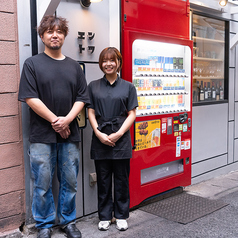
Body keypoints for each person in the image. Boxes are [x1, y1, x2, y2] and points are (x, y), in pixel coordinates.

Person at [18, 15, 90, 238]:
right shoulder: (32, 64)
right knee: (42, 183)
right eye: (50, 31)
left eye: (59, 31)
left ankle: (68, 222)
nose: (55, 35)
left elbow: (82, 97)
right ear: (42, 36)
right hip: (41, 136)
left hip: (70, 134)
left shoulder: (74, 67)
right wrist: (56, 122)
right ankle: (44, 225)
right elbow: (30, 98)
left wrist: (67, 120)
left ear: (65, 35)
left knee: (69, 182)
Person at [88, 47, 138, 231]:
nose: (108, 64)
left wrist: (119, 133)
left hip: (121, 138)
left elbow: (132, 113)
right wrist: (99, 133)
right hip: (100, 136)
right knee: (103, 179)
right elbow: (90, 112)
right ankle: (104, 216)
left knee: (121, 179)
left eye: (112, 60)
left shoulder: (128, 86)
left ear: (118, 63)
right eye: (104, 61)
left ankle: (121, 215)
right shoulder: (93, 86)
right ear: (101, 64)